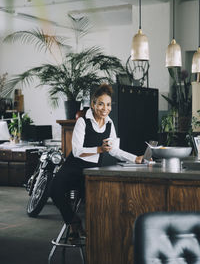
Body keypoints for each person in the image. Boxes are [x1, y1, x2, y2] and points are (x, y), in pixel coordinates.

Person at [50, 84, 143, 239]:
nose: (104, 108)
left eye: (108, 104)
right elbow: (77, 151)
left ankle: (96, 237)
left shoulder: (109, 123)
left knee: (94, 201)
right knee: (55, 190)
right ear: (93, 104)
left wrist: (135, 158)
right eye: (100, 104)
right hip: (73, 166)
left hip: (92, 170)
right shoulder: (83, 121)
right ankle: (74, 222)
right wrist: (99, 149)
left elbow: (113, 149)